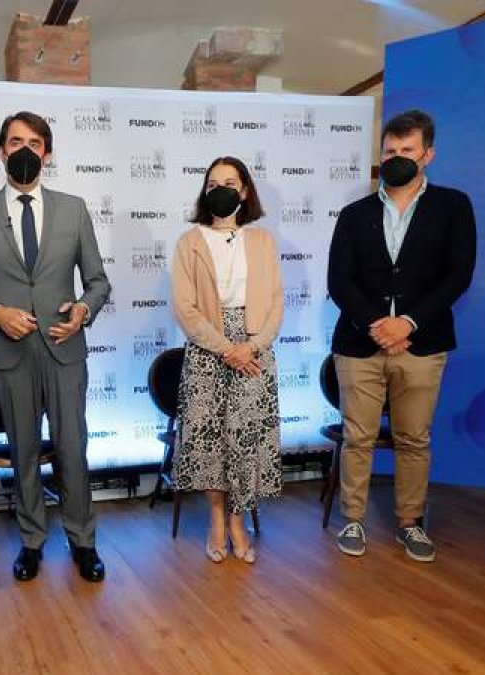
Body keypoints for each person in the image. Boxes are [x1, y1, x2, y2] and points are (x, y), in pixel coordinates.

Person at [0, 111, 111, 583]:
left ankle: (83, 541)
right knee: (22, 452)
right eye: (16, 141)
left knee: (72, 449)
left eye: (34, 143)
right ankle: (32, 541)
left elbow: (98, 282)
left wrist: (83, 310)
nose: (25, 150)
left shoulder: (74, 209)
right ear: (1, 151)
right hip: (7, 353)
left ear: (47, 153)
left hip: (64, 349)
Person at [327, 109, 476, 562]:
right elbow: (340, 281)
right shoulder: (355, 214)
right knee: (358, 437)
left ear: (427, 154)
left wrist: (408, 323)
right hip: (360, 344)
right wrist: (378, 325)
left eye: (406, 150)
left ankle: (410, 523)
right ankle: (353, 518)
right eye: (389, 150)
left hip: (422, 345)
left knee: (414, 438)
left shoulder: (453, 206)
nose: (396, 157)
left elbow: (457, 275)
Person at [170, 156, 283, 564]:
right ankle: (217, 520)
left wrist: (251, 347)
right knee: (209, 441)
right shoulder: (189, 242)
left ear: (245, 191)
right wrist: (225, 348)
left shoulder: (263, 241)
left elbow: (275, 304)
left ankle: (239, 521)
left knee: (246, 440)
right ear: (205, 191)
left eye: (230, 183)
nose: (221, 190)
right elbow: (185, 308)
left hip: (254, 352)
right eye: (213, 183)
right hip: (207, 351)